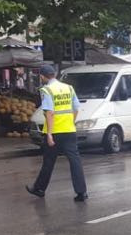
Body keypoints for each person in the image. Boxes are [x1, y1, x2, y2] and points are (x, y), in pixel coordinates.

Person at [26, 65, 88, 201]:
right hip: (69, 130)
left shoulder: (46, 90)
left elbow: (50, 112)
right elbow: (76, 108)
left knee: (48, 161)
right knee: (75, 161)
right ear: (54, 74)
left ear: (42, 76)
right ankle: (81, 192)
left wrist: (49, 134)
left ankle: (39, 189)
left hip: (54, 132)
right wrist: (71, 122)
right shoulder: (69, 88)